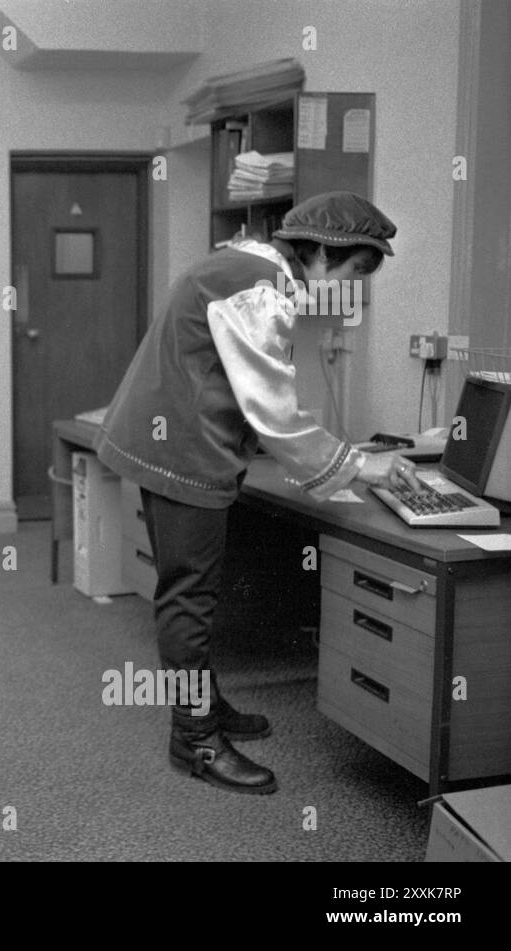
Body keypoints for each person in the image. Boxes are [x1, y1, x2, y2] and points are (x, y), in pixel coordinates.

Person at [94, 192, 419, 795]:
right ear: (321, 251)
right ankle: (194, 739)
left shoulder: (246, 260)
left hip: (166, 437)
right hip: (181, 450)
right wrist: (360, 466)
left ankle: (205, 706)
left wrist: (342, 458)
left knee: (192, 589)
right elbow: (273, 410)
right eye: (353, 272)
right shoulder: (259, 288)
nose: (353, 289)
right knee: (190, 597)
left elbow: (250, 389)